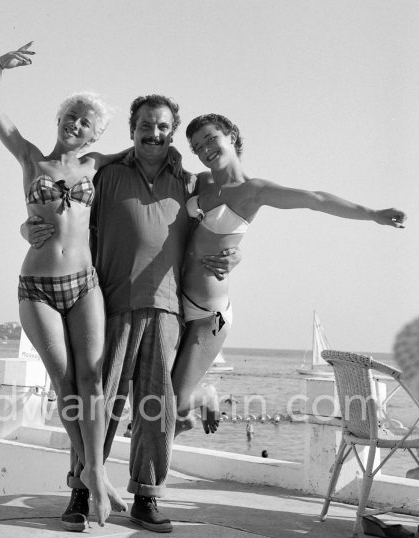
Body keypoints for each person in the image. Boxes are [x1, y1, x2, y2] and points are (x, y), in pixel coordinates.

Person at [24, 95, 240, 533]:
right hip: (107, 301)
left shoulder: (189, 182)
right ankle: (82, 491)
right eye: (146, 124)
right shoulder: (105, 174)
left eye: (163, 126)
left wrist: (232, 257)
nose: (154, 133)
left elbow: (215, 235)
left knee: (156, 409)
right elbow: (63, 211)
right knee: (99, 402)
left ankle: (146, 496)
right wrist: (27, 226)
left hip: (165, 307)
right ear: (132, 129)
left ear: (172, 132)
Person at [171, 112, 407, 437]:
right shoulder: (200, 182)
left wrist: (372, 214)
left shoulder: (254, 190)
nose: (205, 149)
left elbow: (316, 200)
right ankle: (190, 408)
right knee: (157, 392)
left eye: (211, 138)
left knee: (174, 402)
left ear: (232, 136)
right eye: (197, 146)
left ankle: (202, 397)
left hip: (208, 314)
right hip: (173, 301)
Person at [0, 42, 130, 529]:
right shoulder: (31, 160)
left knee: (91, 380)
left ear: (94, 132)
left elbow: (149, 150)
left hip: (84, 283)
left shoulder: (95, 165)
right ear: (60, 118)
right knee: (64, 381)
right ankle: (93, 471)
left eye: (86, 121)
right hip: (38, 287)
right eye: (71, 115)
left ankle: (92, 471)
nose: (76, 123)